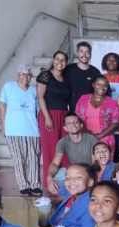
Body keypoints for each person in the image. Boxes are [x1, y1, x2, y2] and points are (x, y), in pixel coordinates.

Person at [34, 163, 96, 227]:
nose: (71, 181)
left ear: (90, 182)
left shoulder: (92, 203)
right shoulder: (71, 195)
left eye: (78, 177)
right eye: (67, 178)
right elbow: (64, 194)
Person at [0, 62, 42, 197]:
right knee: (18, 160)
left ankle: (35, 185)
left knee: (34, 159)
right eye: (23, 74)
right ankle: (23, 186)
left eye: (29, 75)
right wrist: (3, 126)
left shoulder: (34, 90)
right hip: (13, 129)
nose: (26, 77)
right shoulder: (9, 87)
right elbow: (2, 106)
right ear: (18, 75)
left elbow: (37, 110)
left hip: (32, 130)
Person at [37, 51, 71, 189]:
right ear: (53, 59)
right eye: (57, 59)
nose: (60, 62)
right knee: (51, 149)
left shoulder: (66, 78)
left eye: (63, 60)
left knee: (64, 149)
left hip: (63, 115)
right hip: (49, 114)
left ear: (66, 63)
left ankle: (64, 180)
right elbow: (40, 97)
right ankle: (50, 182)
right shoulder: (45, 75)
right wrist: (47, 117)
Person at [46, 113, 98, 194]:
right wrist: (49, 178)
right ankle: (66, 196)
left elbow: (95, 162)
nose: (73, 125)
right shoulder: (63, 142)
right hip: (73, 171)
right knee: (56, 178)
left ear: (81, 125)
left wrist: (85, 175)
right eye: (69, 123)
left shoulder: (91, 139)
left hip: (89, 171)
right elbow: (55, 163)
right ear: (65, 128)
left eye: (75, 122)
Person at [74, 75, 119, 157]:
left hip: (105, 137)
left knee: (103, 161)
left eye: (105, 85)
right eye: (99, 84)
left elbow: (116, 122)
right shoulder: (83, 99)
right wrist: (89, 133)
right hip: (85, 135)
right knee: (86, 161)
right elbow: (77, 118)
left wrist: (100, 135)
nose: (102, 88)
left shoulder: (112, 102)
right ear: (93, 84)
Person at [65, 41, 101, 112]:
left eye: (87, 52)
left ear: (90, 55)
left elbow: (98, 92)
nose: (84, 55)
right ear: (77, 53)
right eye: (81, 52)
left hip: (89, 110)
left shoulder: (95, 72)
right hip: (71, 110)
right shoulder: (68, 69)